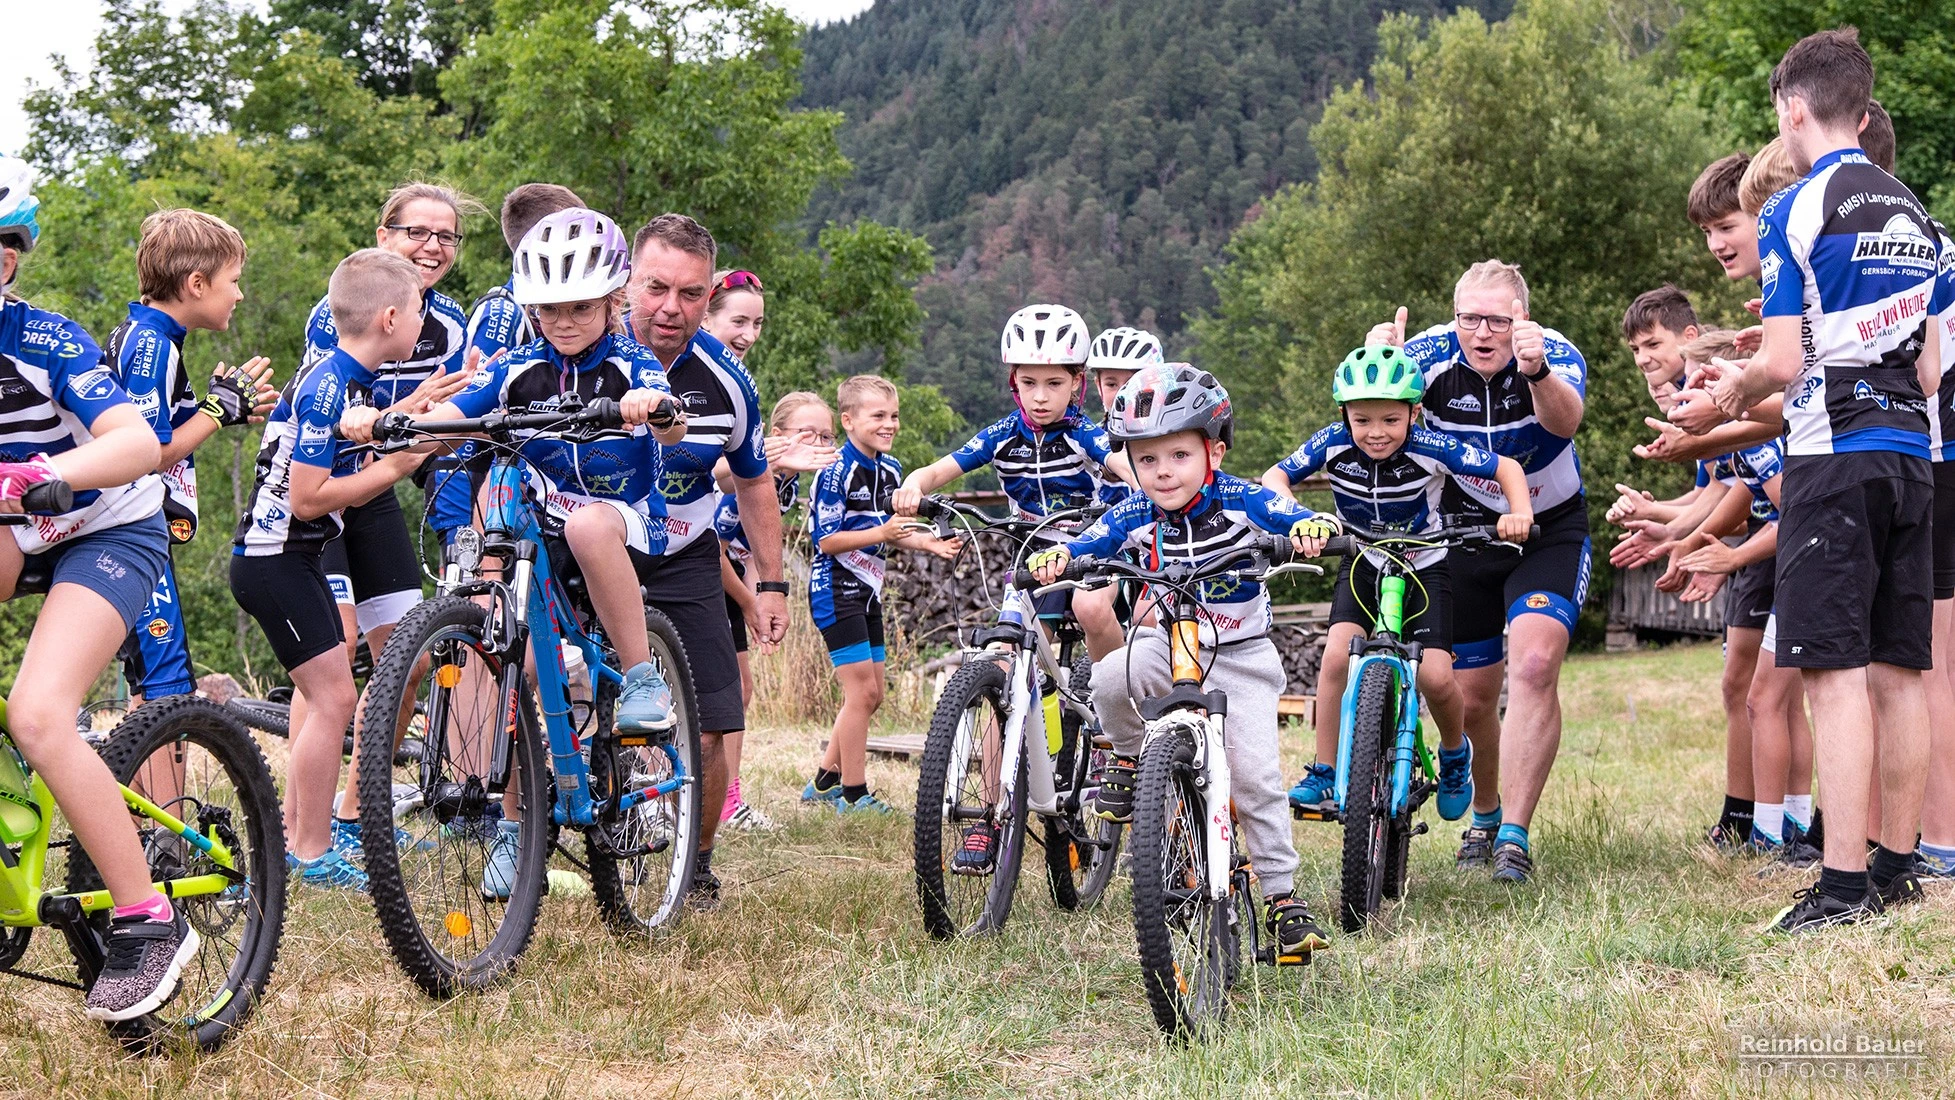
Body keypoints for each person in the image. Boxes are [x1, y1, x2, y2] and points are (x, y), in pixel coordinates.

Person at [345, 207, 689, 897]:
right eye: (547, 310)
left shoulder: (628, 360)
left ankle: (641, 675)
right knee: (521, 663)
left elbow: (672, 421)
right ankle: (513, 825)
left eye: (579, 308)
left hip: (619, 521)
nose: (562, 322)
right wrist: (389, 423)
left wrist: (651, 408)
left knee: (591, 526)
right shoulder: (519, 364)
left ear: (613, 300)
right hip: (544, 524)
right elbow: (457, 410)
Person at [1701, 29, 1941, 930]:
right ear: (1863, 108)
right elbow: (1929, 367)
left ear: (1791, 110)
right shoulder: (1916, 214)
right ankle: (1896, 867)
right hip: (1911, 458)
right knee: (1898, 667)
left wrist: (1732, 387)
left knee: (1830, 672)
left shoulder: (1791, 210)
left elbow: (1778, 356)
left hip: (1830, 459)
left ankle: (1839, 887)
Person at [1030, 363, 1338, 960]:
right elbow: (1091, 541)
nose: (1162, 472)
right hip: (1168, 643)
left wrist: (1311, 526)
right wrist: (1060, 557)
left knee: (1255, 780)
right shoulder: (1136, 513)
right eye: (1146, 461)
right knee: (1112, 674)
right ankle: (1124, 756)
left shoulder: (1240, 498)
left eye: (1177, 456)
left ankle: (1281, 898)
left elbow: (1289, 515)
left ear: (1214, 452)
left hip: (1241, 656)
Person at [0, 157, 201, 1021]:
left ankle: (146, 921)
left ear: (8, 260)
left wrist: (52, 471)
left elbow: (135, 443)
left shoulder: (41, 340)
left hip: (104, 521)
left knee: (40, 713)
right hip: (12, 529)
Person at [232, 249, 463, 893]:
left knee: (330, 696)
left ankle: (301, 846)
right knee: (332, 698)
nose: (424, 321)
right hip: (274, 562)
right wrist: (395, 467)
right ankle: (309, 851)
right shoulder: (330, 382)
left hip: (288, 559)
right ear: (390, 318)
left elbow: (341, 446)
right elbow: (307, 497)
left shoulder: (348, 377)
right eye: (419, 311)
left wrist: (412, 408)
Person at [1365, 260, 1589, 885]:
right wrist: (1379, 362)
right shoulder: (1429, 357)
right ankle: (1484, 813)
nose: (1482, 333)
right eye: (1470, 319)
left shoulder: (1553, 354)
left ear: (1519, 315)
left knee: (1537, 663)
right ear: (1454, 316)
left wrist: (1536, 369)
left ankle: (1514, 834)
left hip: (1548, 527)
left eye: (1496, 319)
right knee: (1473, 695)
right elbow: (1373, 424)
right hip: (1464, 529)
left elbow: (1565, 423)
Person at [1266, 345, 1532, 823]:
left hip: (1425, 566)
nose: (1375, 433)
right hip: (1364, 562)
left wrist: (1518, 513)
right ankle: (1324, 770)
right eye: (1362, 420)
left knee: (1434, 676)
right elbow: (1275, 477)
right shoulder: (1331, 444)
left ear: (1413, 412)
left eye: (1391, 419)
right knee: (1334, 660)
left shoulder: (1431, 446)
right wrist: (1301, 520)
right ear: (1344, 414)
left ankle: (1454, 756)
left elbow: (1507, 469)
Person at [297, 182, 481, 859]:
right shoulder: (339, 307)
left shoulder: (453, 324)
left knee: (412, 657)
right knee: (330, 651)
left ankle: (353, 817)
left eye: (445, 237)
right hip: (322, 489)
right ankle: (300, 834)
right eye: (415, 232)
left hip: (372, 490)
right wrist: (411, 415)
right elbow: (343, 414)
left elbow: (445, 432)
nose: (431, 246)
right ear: (383, 236)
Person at [625, 216, 792, 906]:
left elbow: (754, 483)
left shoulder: (728, 383)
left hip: (684, 549)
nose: (671, 307)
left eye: (691, 294)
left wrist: (772, 583)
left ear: (709, 294)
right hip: (585, 541)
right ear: (628, 282)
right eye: (656, 287)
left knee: (719, 718)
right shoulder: (585, 349)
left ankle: (695, 858)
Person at [1609, 288, 1768, 849]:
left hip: (1767, 551)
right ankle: (1748, 815)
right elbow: (1715, 493)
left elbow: (1759, 494)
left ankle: (1770, 821)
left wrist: (1699, 543)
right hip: (1752, 551)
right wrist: (1661, 522)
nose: (1645, 360)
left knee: (1765, 695)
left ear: (1691, 341)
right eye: (1636, 351)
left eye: (1653, 345)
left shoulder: (1723, 401)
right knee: (1744, 691)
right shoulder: (1697, 411)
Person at [105, 209, 276, 707]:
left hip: (129, 526)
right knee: (169, 693)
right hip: (127, 530)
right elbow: (147, 454)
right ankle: (155, 790)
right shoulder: (151, 345)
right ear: (197, 283)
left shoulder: (150, 337)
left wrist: (218, 411)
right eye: (234, 281)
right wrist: (216, 411)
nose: (239, 294)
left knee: (154, 688)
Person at [892, 305, 1130, 661]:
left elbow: (1121, 465)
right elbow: (939, 471)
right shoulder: (1002, 435)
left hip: (1091, 550)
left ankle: (1114, 700)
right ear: (1013, 381)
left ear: (1077, 382)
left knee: (1091, 608)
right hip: (1031, 554)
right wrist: (913, 485)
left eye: (1054, 384)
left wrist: (1150, 488)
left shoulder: (1083, 433)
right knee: (1008, 650)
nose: (1040, 397)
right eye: (1028, 383)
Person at [803, 375, 961, 813]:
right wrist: (881, 531)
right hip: (835, 589)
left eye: (894, 416)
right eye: (879, 416)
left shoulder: (891, 471)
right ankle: (854, 794)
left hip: (868, 589)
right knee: (861, 694)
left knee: (874, 694)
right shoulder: (835, 471)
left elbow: (892, 534)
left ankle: (823, 781)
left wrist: (929, 542)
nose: (890, 424)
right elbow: (826, 541)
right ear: (848, 421)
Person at [432, 182, 590, 554]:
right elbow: (475, 403)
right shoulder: (505, 310)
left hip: (513, 482)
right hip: (469, 481)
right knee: (475, 605)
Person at [714, 386, 840, 831]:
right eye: (809, 434)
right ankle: (717, 800)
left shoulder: (786, 484)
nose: (820, 446)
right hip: (701, 575)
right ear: (776, 434)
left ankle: (726, 798)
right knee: (724, 693)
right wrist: (750, 603)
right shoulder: (749, 471)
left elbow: (747, 552)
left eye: (827, 437)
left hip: (728, 579)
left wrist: (762, 607)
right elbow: (711, 545)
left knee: (738, 692)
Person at [1085, 325, 1164, 507]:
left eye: (1134, 383)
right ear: (1098, 386)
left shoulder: (1178, 436)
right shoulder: (1088, 440)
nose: (1123, 392)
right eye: (1111, 384)